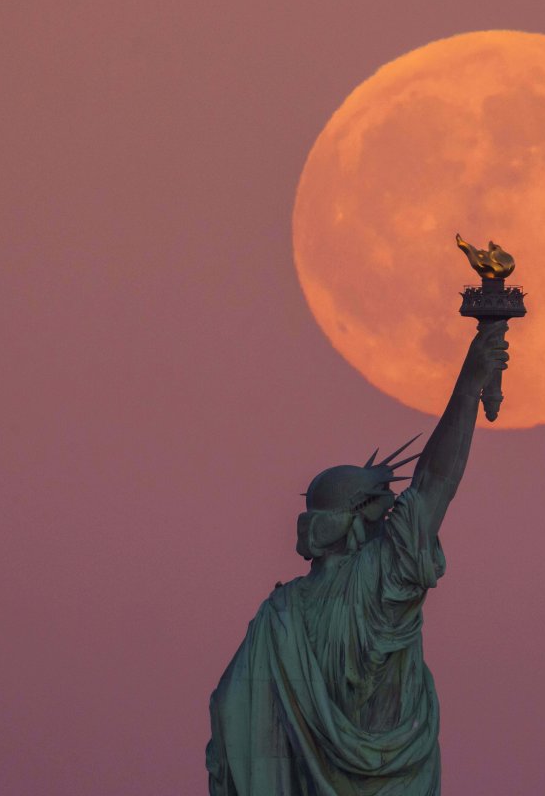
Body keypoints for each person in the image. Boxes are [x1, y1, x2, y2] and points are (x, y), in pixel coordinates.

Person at [206, 321, 510, 795]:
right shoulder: (379, 580)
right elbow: (435, 483)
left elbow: (232, 710)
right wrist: (469, 387)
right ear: (354, 521)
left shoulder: (279, 616)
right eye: (381, 509)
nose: (390, 516)